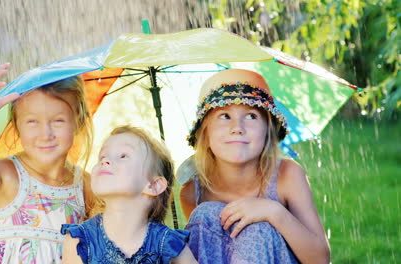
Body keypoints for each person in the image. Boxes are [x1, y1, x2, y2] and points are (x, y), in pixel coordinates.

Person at [0, 63, 99, 263]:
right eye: (32, 122)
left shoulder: (85, 186)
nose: (46, 134)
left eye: (58, 121)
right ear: (16, 125)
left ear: (78, 121)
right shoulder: (6, 174)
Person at [179, 69, 330, 264]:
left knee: (258, 229)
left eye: (251, 116)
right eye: (224, 116)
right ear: (205, 134)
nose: (237, 128)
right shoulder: (193, 190)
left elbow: (320, 259)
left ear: (268, 131)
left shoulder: (287, 176)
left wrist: (273, 211)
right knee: (205, 213)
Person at [61, 125, 197, 264]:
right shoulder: (79, 241)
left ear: (153, 186)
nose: (104, 161)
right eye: (102, 156)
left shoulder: (168, 243)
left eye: (123, 156)